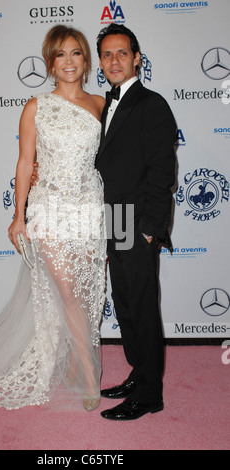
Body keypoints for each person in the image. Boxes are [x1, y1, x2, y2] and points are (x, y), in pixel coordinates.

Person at [0, 25, 107, 412]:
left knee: (87, 290)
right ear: (49, 62)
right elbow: (26, 162)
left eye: (76, 53)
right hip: (49, 208)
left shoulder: (100, 104)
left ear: (86, 60)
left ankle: (79, 361)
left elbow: (110, 159)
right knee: (66, 289)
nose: (69, 62)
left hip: (89, 209)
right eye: (60, 55)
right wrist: (18, 216)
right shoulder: (36, 106)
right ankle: (89, 374)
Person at [96, 24, 176, 420]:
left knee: (142, 306)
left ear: (137, 57)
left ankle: (149, 394)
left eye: (122, 53)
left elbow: (163, 171)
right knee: (125, 303)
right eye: (107, 55)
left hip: (136, 219)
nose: (114, 60)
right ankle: (138, 373)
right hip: (112, 218)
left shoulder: (152, 104)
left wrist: (150, 227)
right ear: (101, 62)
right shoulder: (104, 104)